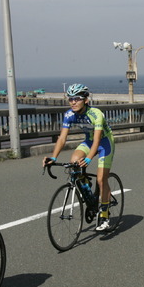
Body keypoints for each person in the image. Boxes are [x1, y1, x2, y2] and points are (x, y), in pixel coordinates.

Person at [43, 84, 115, 231]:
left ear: (86, 100)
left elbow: (97, 140)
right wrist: (54, 157)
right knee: (73, 162)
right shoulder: (69, 115)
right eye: (70, 99)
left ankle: (105, 215)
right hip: (89, 142)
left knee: (101, 179)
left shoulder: (96, 114)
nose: (73, 102)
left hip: (105, 143)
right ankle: (89, 192)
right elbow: (62, 138)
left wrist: (88, 159)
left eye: (77, 99)